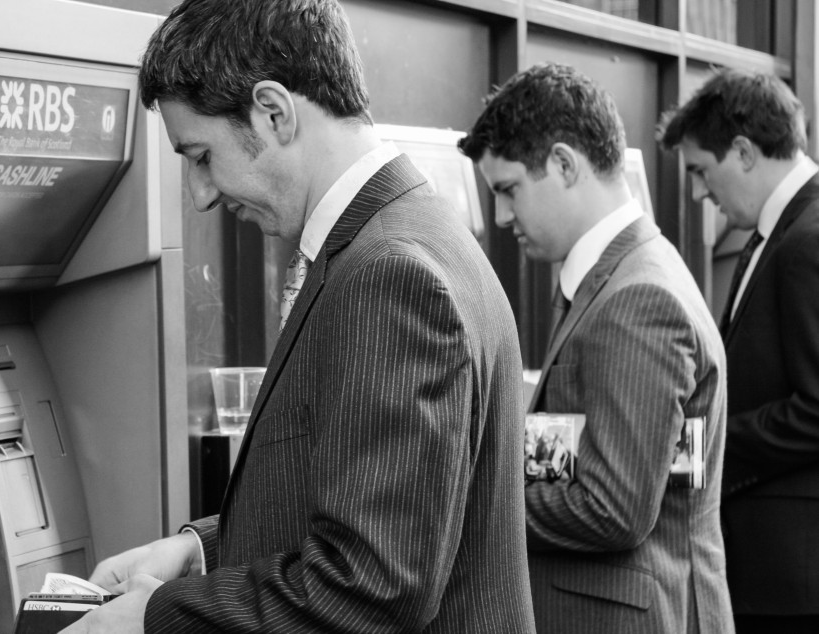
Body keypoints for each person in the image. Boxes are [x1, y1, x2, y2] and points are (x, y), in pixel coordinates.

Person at [62, 1, 536, 632]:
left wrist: (155, 618)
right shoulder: (400, 235)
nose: (200, 195)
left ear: (274, 111)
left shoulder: (388, 274)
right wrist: (202, 549)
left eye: (200, 157)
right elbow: (343, 493)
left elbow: (371, 586)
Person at [459, 62, 734, 634]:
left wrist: (462, 496)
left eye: (509, 190)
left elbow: (613, 509)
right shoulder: (629, 276)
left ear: (563, 163)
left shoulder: (636, 300)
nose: (502, 216)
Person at [659, 68, 819, 634]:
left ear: (745, 153)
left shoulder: (806, 239)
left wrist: (704, 442)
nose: (702, 192)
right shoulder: (785, 232)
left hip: (790, 581)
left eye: (703, 171)